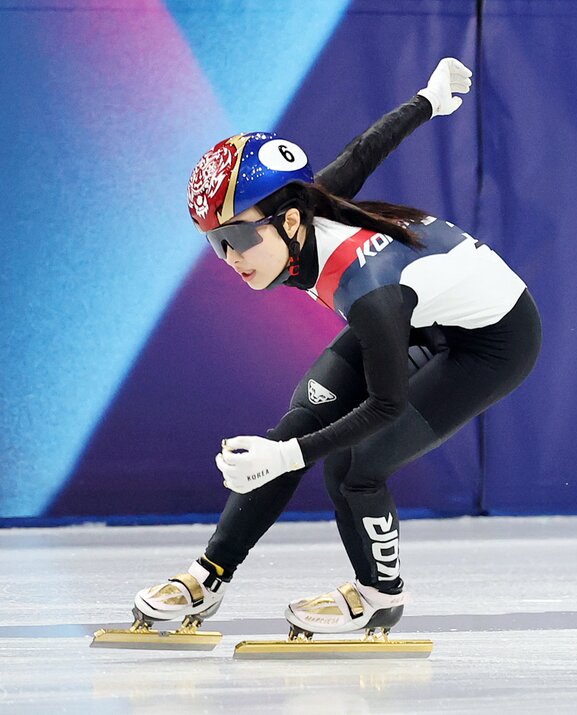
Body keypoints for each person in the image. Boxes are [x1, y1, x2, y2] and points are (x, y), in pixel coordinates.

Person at [132, 58, 541, 637]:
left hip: (492, 343)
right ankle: (209, 575)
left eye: (240, 237)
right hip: (424, 316)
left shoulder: (368, 291)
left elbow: (387, 406)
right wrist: (427, 100)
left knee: (359, 466)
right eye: (216, 243)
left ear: (290, 222)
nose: (231, 259)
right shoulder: (306, 207)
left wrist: (290, 458)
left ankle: (380, 595)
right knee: (295, 424)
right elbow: (365, 150)